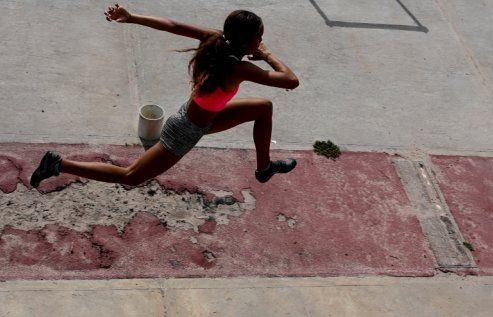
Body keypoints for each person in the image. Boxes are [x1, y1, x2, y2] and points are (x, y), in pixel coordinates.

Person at [30, 4, 300, 189]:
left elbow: (172, 25)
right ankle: (58, 163)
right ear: (245, 42)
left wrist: (133, 16)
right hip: (185, 130)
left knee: (263, 107)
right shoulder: (239, 68)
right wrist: (266, 55)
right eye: (259, 37)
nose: (261, 41)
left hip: (207, 117)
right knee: (131, 177)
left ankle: (264, 168)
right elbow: (291, 81)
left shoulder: (216, 39)